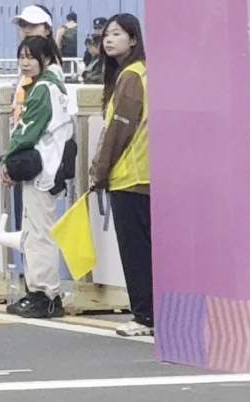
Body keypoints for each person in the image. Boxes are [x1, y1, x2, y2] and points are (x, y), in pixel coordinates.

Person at [0, 36, 73, 319]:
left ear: (47, 58)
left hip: (44, 170)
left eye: (31, 57)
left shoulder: (43, 88)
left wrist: (8, 160)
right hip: (50, 169)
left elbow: (27, 130)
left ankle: (45, 294)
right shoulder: (54, 85)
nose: (25, 62)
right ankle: (40, 293)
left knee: (39, 234)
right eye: (22, 56)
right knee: (37, 232)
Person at [89, 14, 152, 337]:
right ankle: (151, 312)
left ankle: (144, 316)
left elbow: (118, 131)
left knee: (135, 251)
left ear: (134, 39)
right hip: (146, 175)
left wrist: (99, 172)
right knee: (147, 249)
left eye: (117, 34)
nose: (109, 40)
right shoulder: (144, 72)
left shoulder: (130, 76)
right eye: (106, 35)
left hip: (129, 175)